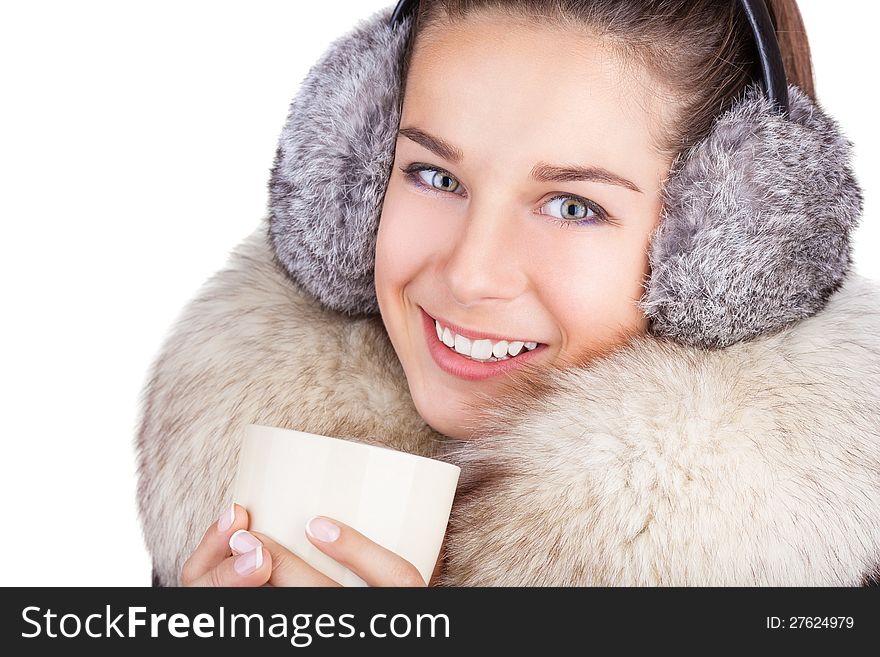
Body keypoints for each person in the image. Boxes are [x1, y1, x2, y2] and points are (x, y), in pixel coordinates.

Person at [136, 0, 880, 586]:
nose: (469, 274)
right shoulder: (255, 505)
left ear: (734, 245)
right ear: (357, 174)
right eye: (435, 175)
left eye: (571, 205)